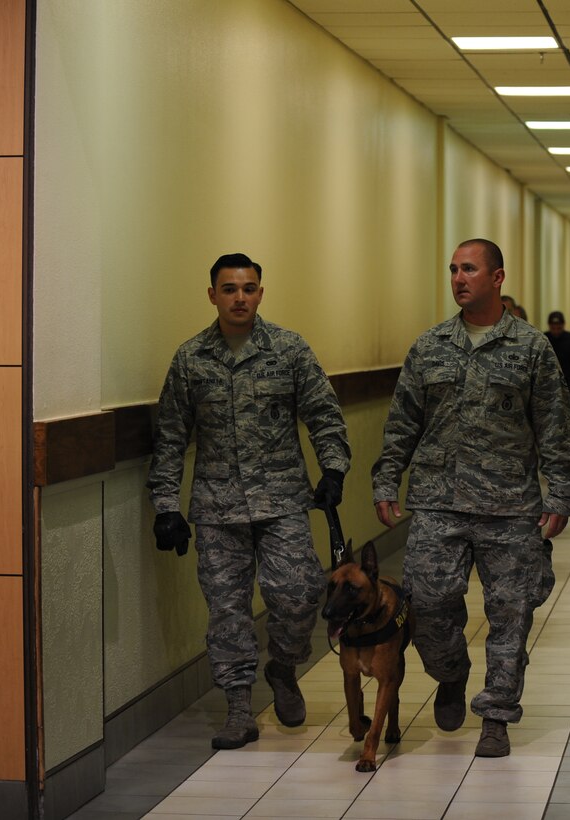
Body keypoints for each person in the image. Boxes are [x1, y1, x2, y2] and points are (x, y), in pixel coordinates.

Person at [372, 238, 570, 758]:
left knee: (511, 614)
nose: (459, 278)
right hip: (439, 503)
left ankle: (496, 716)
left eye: (469, 269)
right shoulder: (429, 346)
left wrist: (562, 495)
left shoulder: (531, 348)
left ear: (497, 278)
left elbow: (556, 427)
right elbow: (402, 424)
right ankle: (450, 674)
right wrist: (385, 479)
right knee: (430, 606)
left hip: (511, 507)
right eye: (452, 270)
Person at [147, 252, 351, 750]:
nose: (240, 297)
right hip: (217, 511)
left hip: (282, 501)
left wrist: (334, 468)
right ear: (212, 294)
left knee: (300, 592)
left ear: (261, 292)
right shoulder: (191, 358)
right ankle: (238, 708)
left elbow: (323, 413)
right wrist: (166, 506)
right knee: (227, 610)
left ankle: (283, 666)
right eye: (230, 288)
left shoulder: (288, 350)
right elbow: (171, 436)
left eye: (250, 288)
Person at [545, 310, 570, 399]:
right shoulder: (543, 338)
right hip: (547, 381)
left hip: (568, 381)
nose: (556, 331)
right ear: (549, 325)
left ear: (563, 325)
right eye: (553, 328)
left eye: (559, 328)